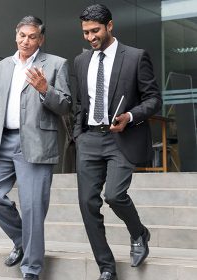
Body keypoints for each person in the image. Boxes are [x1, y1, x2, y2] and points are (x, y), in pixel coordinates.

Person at [0, 15, 72, 280]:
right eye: (22, 36)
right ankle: (21, 240)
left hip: (37, 143)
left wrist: (45, 89)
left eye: (32, 36)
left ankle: (31, 268)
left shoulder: (55, 64)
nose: (26, 41)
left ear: (40, 39)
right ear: (15, 35)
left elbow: (65, 106)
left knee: (33, 207)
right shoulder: (2, 66)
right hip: (2, 141)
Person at [73, 4, 162, 280]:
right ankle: (106, 267)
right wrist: (78, 133)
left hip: (120, 137)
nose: (90, 37)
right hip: (89, 138)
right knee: (87, 204)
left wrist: (130, 116)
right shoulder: (80, 61)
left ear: (110, 26)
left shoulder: (135, 57)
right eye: (86, 32)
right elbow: (80, 102)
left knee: (113, 195)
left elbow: (154, 99)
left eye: (95, 30)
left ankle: (138, 233)